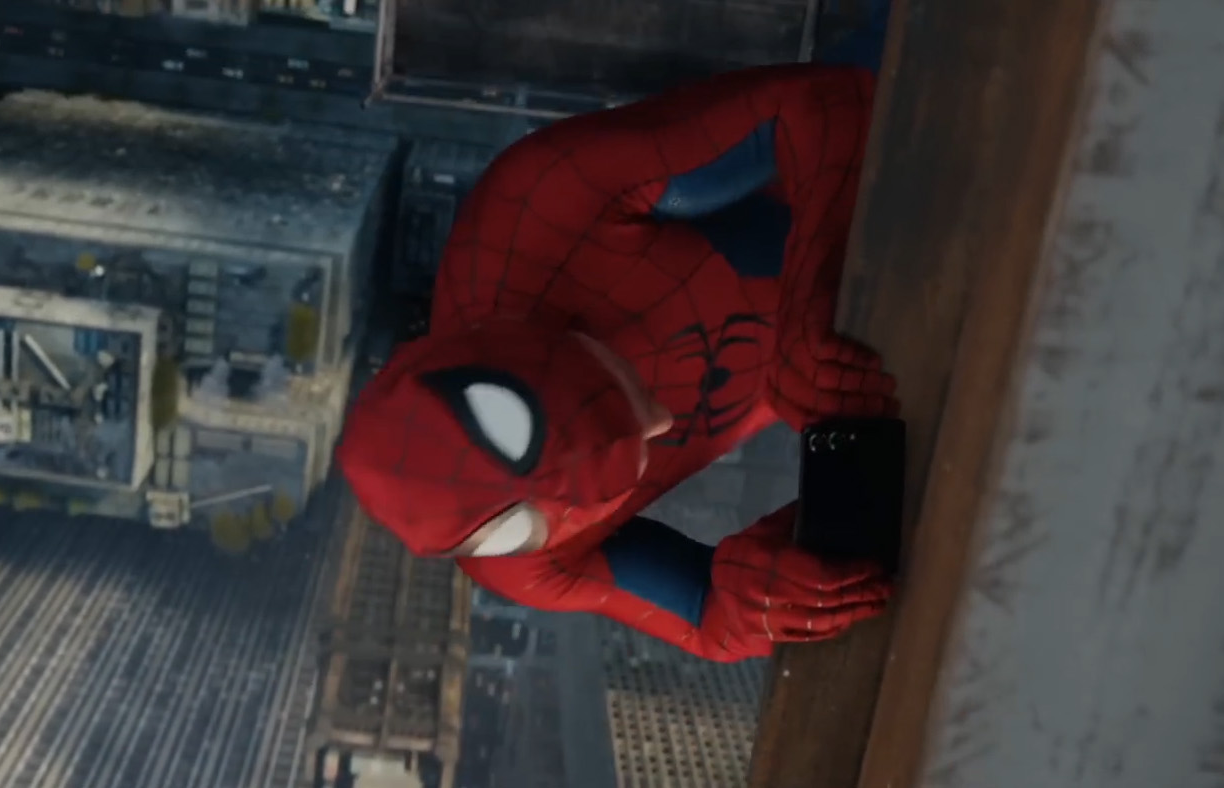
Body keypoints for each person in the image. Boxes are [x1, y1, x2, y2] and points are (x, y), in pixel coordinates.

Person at [338, 23, 900, 662]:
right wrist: (763, 589)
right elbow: (709, 618)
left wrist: (808, 300)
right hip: (882, 357)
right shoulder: (531, 566)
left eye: (621, 383)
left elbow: (821, 101)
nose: (662, 425)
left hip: (880, 160)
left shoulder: (535, 211)